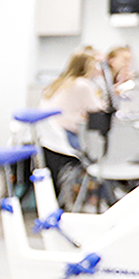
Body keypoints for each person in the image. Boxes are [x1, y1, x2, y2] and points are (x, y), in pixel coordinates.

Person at [39, 49, 104, 198]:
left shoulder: (57, 83)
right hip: (67, 137)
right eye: (95, 66)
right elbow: (99, 109)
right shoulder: (82, 84)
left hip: (50, 138)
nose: (97, 70)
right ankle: (101, 198)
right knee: (104, 153)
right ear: (86, 66)